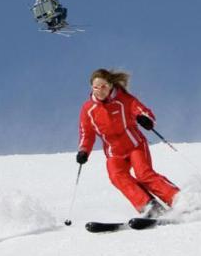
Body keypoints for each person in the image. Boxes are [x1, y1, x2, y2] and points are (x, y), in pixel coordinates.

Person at [76, 69, 179, 215]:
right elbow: (86, 133)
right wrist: (83, 151)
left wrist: (145, 119)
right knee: (116, 176)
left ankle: (178, 199)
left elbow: (140, 110)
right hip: (114, 153)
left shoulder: (123, 99)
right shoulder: (88, 109)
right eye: (96, 87)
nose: (100, 91)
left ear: (111, 85)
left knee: (143, 175)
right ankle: (148, 206)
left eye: (103, 86)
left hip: (135, 146)